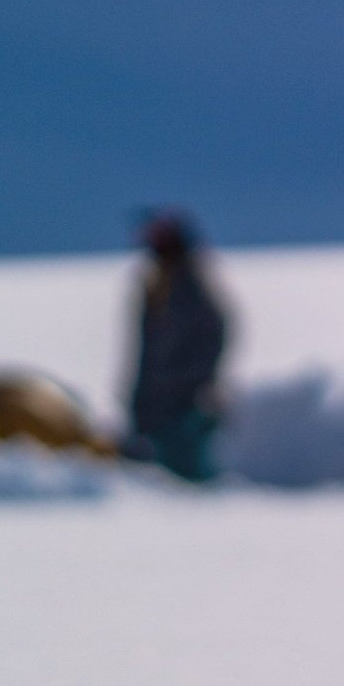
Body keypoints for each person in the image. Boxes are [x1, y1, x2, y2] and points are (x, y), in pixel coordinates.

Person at [123, 206, 231, 481]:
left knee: (191, 483)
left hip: (185, 408)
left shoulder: (192, 286)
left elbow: (212, 339)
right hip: (155, 410)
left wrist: (192, 387)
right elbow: (145, 355)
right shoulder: (157, 286)